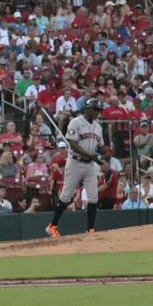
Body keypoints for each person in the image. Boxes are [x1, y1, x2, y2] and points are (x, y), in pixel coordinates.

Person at [45, 98, 104, 239]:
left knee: (93, 197)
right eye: (95, 109)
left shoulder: (98, 127)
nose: (97, 112)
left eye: (98, 110)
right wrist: (91, 155)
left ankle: (90, 229)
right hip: (75, 162)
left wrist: (106, 152)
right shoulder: (76, 122)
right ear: (88, 108)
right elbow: (72, 144)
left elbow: (101, 145)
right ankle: (52, 226)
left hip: (90, 165)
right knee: (66, 195)